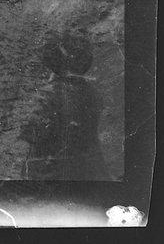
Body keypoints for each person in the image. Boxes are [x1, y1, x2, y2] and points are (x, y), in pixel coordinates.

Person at [22, 30, 109, 180]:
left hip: (53, 175)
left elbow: (31, 134)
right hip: (89, 171)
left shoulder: (48, 95)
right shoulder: (94, 93)